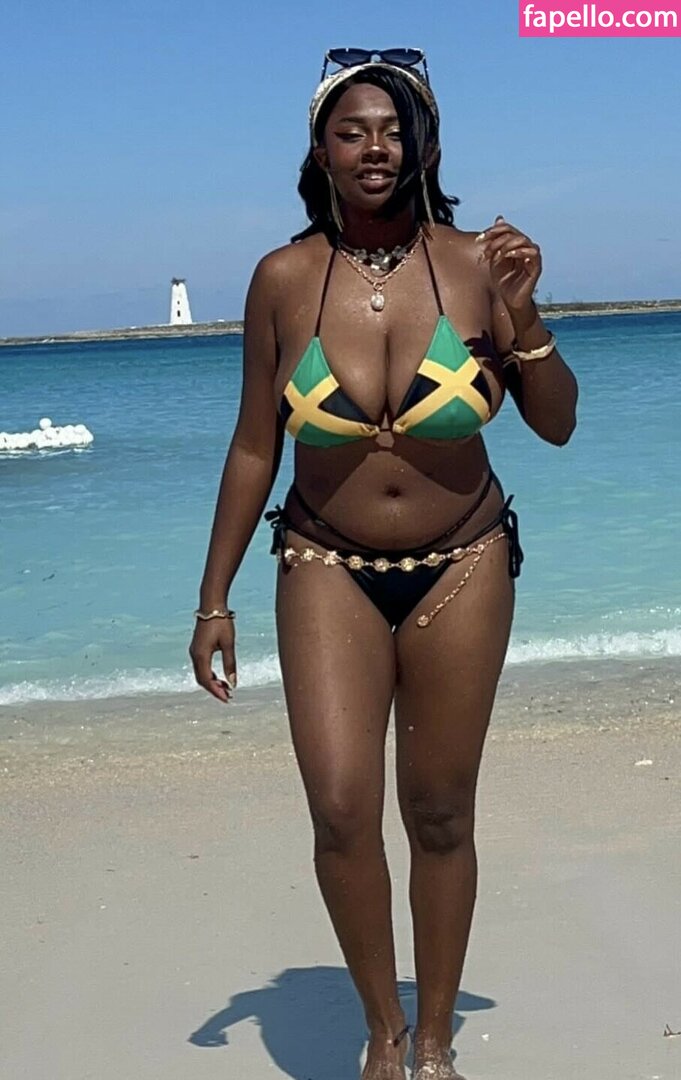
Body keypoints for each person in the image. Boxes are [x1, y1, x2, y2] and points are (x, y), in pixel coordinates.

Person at [189, 47, 578, 1080]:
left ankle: (435, 1038)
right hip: (323, 561)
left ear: (426, 146)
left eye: (394, 131)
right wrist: (211, 598)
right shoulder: (281, 280)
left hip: (465, 563)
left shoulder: (480, 262)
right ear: (319, 151)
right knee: (339, 809)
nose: (374, 148)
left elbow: (556, 424)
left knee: (440, 811)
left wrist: (525, 314)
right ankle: (384, 1030)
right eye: (351, 131)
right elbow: (254, 445)